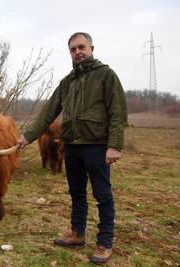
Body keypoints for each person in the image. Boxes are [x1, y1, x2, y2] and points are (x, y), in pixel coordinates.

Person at [18, 32, 127, 265]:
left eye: (81, 47)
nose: (77, 52)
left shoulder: (106, 75)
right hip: (73, 147)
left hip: (97, 147)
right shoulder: (67, 82)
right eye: (73, 49)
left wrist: (114, 145)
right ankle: (77, 233)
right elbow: (49, 111)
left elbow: (118, 111)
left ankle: (105, 243)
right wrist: (28, 136)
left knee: (102, 196)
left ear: (91, 48)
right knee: (77, 193)